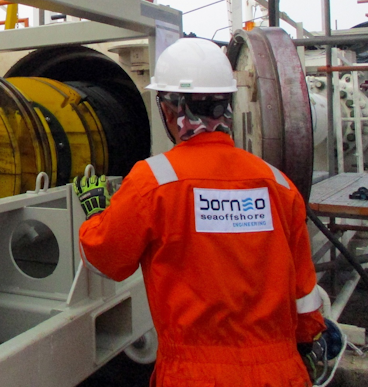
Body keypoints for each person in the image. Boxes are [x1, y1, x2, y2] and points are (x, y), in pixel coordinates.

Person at [76, 37, 326, 387]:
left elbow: (106, 258)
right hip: (281, 372)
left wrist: (95, 214)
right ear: (226, 106)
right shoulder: (278, 185)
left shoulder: (153, 182)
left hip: (195, 376)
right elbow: (305, 298)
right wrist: (300, 346)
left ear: (169, 110)